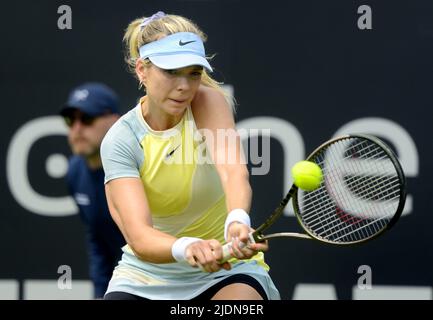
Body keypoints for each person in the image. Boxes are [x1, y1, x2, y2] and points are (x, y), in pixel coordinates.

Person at [100, 12, 280, 300]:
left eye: (193, 73)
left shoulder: (206, 101)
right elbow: (140, 237)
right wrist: (188, 247)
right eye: (171, 72)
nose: (184, 86)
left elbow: (233, 171)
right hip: (147, 276)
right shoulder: (122, 139)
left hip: (228, 271)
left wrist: (236, 220)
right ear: (141, 70)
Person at [60, 82, 126, 298]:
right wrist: (100, 293)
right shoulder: (74, 172)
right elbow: (98, 238)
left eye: (87, 119)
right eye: (71, 120)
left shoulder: (139, 167)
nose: (77, 128)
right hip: (122, 283)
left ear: (115, 121)